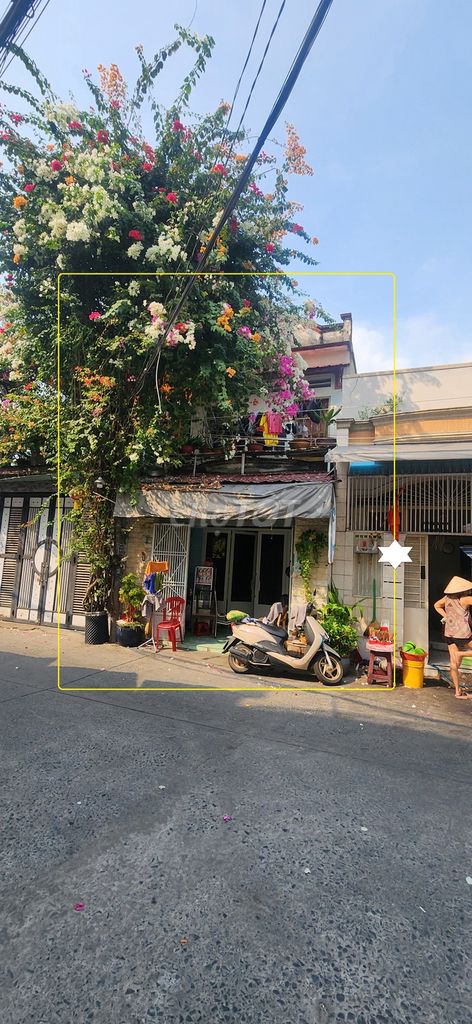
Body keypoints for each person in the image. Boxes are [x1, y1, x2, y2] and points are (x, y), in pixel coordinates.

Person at [433, 576, 472, 699]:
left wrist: (446, 616)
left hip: (449, 633)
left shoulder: (446, 598)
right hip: (462, 634)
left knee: (453, 663)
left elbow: (436, 605)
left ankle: (457, 691)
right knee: (458, 656)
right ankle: (461, 654)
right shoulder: (465, 599)